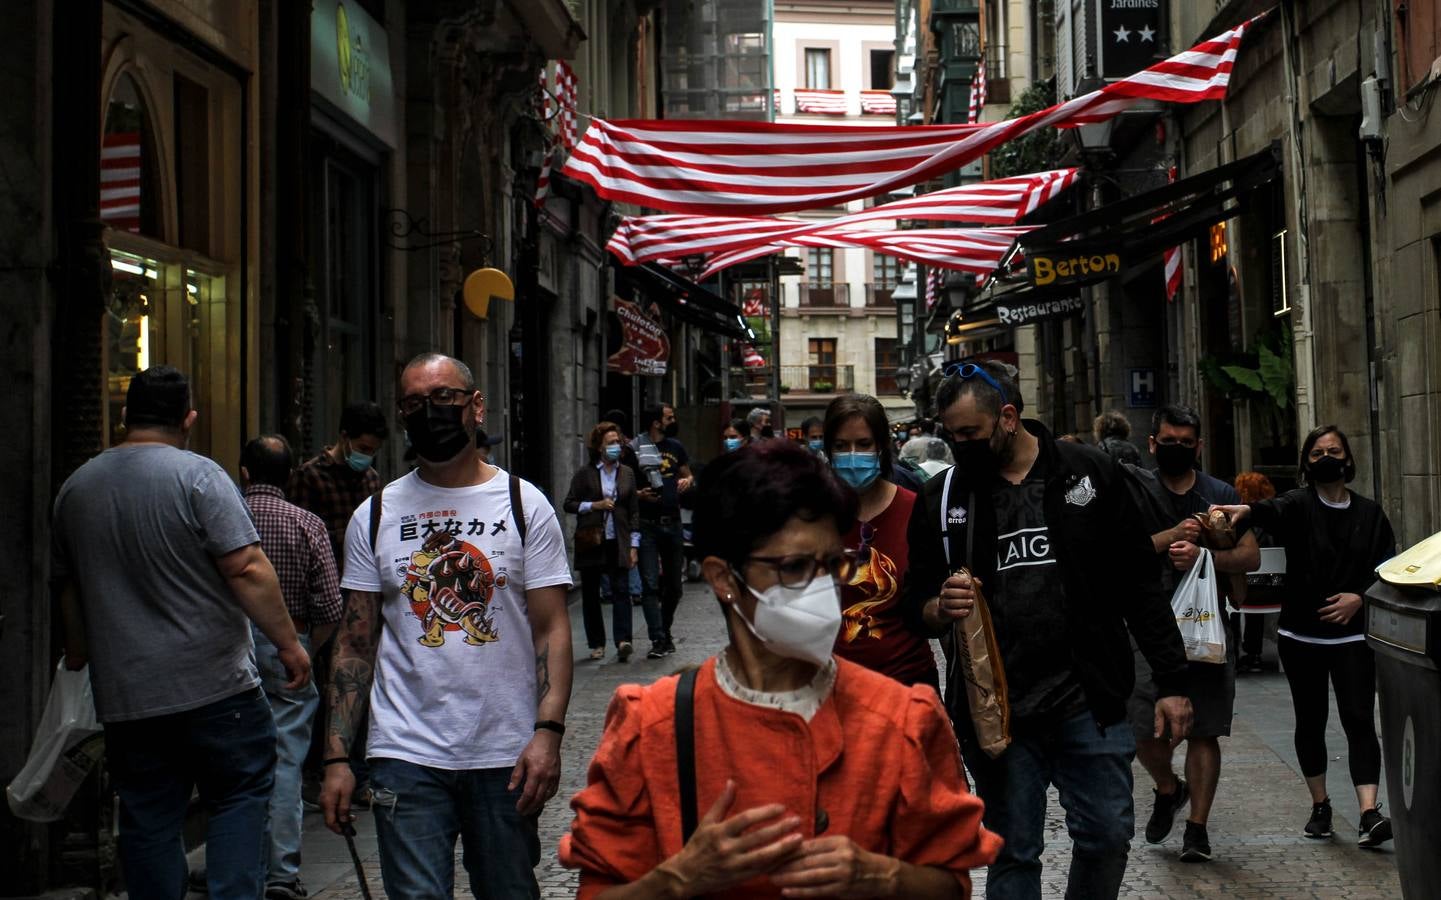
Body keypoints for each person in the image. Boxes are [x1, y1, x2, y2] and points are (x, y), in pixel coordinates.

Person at [559, 441, 1002, 896]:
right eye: (793, 567)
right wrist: (679, 878)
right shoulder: (654, 727)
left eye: (833, 564)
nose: (821, 586)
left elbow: (950, 885)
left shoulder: (902, 719)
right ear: (723, 578)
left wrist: (881, 876)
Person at [902, 360, 1192, 900]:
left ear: (1008, 417)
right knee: (1012, 852)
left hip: (1090, 698)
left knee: (1107, 835)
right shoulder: (944, 498)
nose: (959, 444)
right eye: (951, 434)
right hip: (998, 711)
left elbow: (1138, 583)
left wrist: (1173, 682)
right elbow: (914, 603)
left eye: (970, 433)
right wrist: (940, 606)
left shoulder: (1089, 473)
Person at [318, 353, 574, 898]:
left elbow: (551, 629)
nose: (427, 413)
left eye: (442, 399)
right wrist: (338, 756)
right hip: (404, 753)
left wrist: (547, 735)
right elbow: (355, 643)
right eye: (413, 403)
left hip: (504, 752)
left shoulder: (524, 506)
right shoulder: (377, 513)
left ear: (475, 406)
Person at [52, 366, 310, 899]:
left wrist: (78, 651)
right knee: (239, 796)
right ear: (188, 418)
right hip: (216, 687)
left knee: (147, 816)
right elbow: (247, 567)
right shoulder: (200, 476)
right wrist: (288, 644)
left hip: (129, 696)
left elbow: (70, 590)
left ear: (125, 416)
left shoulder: (77, 489)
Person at [1214, 425, 1396, 849]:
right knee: (1309, 721)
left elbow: (1387, 568)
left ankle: (1369, 812)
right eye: (1317, 453)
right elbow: (1268, 510)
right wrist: (1243, 512)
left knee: (1358, 719)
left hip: (1352, 638)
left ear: (1348, 460)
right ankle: (1320, 805)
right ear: (1306, 464)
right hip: (1302, 636)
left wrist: (1359, 598)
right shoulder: (1298, 505)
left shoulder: (1370, 514)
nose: (1326, 458)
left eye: (1334, 451)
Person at [1121, 405, 1260, 864]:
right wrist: (1169, 537)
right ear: (1152, 443)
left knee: (1204, 730)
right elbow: (1115, 552)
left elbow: (1250, 558)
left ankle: (1197, 829)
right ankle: (1168, 787)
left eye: (1186, 442)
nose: (1176, 448)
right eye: (1168, 440)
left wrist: (1205, 556)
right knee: (1142, 729)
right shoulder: (1135, 490)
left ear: (1198, 447)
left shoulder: (1219, 494)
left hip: (1208, 630)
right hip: (1146, 628)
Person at [240, 435, 344, 900]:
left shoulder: (226, 518)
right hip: (292, 644)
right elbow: (329, 604)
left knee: (232, 761)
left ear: (244, 473)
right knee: (284, 759)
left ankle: (239, 865)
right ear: (288, 477)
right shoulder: (307, 523)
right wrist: (304, 646)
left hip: (228, 646)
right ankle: (280, 872)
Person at [825, 395, 938, 689]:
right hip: (831, 689)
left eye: (863, 444)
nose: (852, 455)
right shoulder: (811, 515)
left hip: (907, 685)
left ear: (881, 447)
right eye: (840, 446)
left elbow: (933, 601)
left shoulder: (917, 510)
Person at [564, 421, 642, 661]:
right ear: (599, 447)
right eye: (610, 443)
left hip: (617, 539)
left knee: (622, 590)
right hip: (592, 540)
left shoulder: (627, 473)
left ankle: (623, 640)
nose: (615, 447)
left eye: (617, 442)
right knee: (591, 594)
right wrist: (594, 505)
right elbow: (569, 503)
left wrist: (634, 545)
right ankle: (596, 643)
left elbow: (633, 510)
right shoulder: (585, 474)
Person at [289, 401, 389, 564]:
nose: (368, 456)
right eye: (363, 449)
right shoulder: (310, 476)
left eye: (373, 451)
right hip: (327, 577)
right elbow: (299, 538)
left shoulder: (371, 479)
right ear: (344, 437)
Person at [636, 404, 694, 656]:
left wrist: (687, 481)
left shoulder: (676, 447)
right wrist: (639, 494)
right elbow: (624, 485)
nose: (673, 420)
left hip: (673, 522)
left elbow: (688, 474)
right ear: (656, 422)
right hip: (647, 525)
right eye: (668, 417)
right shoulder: (635, 448)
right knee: (649, 585)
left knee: (674, 586)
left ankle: (665, 629)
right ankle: (658, 639)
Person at [1232, 471, 1279, 673]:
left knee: (1230, 593)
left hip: (1247, 591)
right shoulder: (1277, 518)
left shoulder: (1241, 522)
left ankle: (1234, 652)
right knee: (1259, 583)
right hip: (1276, 589)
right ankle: (1255, 654)